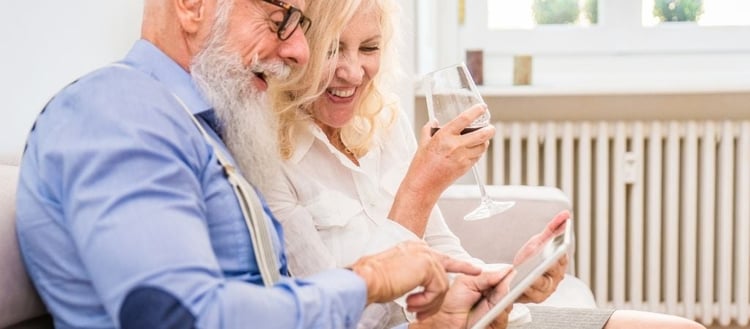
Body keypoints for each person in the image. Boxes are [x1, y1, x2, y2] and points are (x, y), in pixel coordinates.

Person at [15, 0, 515, 328]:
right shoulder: (118, 109)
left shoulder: (204, 129)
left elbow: (275, 299)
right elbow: (180, 317)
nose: (299, 52)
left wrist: (436, 311)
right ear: (191, 5)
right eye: (281, 21)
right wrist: (370, 278)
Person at [263, 0, 708, 328]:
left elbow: (444, 249)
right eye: (333, 49)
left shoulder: (384, 120)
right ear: (298, 48)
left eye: (369, 48)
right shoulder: (270, 157)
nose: (354, 72)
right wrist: (419, 189)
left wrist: (504, 282)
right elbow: (338, 316)